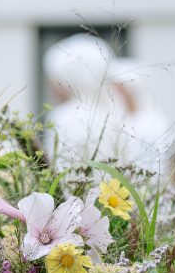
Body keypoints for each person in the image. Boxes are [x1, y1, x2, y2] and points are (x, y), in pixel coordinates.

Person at [43, 34, 128, 171]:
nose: (50, 84)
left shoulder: (65, 117)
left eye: (53, 78)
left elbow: (57, 174)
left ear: (68, 77)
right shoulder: (119, 112)